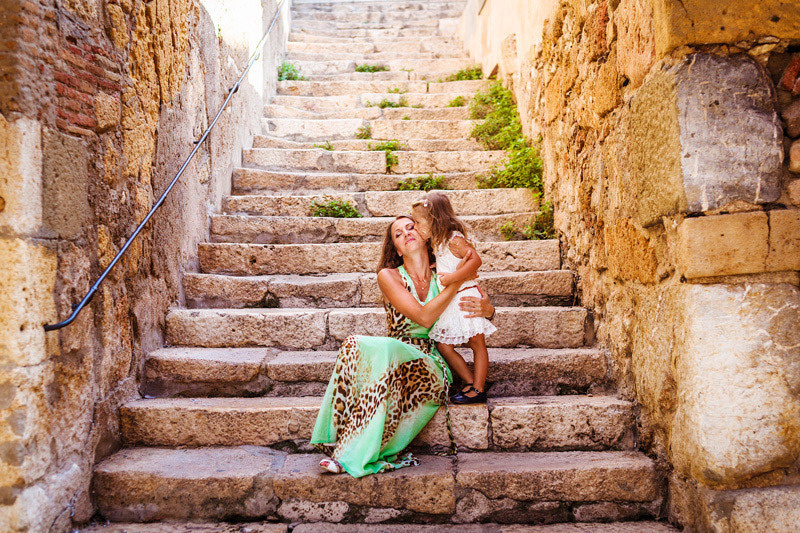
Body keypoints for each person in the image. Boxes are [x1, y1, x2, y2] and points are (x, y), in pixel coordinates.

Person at [310, 215, 495, 477]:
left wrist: (489, 310)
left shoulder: (445, 272)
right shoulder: (389, 276)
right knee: (359, 345)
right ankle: (346, 452)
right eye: (398, 234)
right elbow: (423, 317)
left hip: (432, 362)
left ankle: (350, 454)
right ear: (396, 249)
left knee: (386, 353)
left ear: (425, 236)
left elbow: (473, 309)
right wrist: (456, 282)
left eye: (411, 227)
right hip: (393, 354)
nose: (406, 233)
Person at [411, 192, 496, 404]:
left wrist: (453, 277)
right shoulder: (438, 242)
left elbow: (475, 261)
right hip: (451, 299)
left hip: (466, 296)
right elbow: (447, 262)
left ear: (434, 220)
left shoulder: (453, 239)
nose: (415, 226)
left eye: (418, 222)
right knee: (443, 346)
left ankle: (478, 388)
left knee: (477, 342)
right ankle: (469, 380)